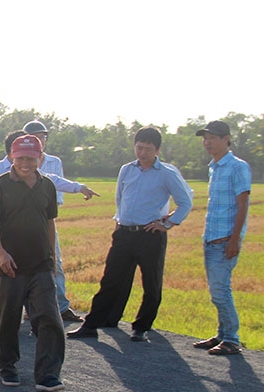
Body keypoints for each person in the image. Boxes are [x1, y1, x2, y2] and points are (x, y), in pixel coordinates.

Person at [67, 127, 193, 342]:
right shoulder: (127, 169)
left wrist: (168, 223)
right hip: (125, 233)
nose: (142, 153)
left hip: (149, 235)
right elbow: (120, 198)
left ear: (157, 150)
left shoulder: (166, 174)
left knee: (151, 283)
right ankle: (91, 325)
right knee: (110, 281)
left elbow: (186, 201)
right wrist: (119, 221)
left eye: (148, 149)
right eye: (139, 147)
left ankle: (141, 327)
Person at [0, 125, 98, 323]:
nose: (25, 159)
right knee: (11, 271)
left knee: (52, 266)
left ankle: (56, 308)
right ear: (12, 151)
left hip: (38, 229)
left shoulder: (35, 173)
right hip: (8, 233)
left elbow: (54, 181)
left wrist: (79, 187)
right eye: (21, 152)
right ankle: (16, 314)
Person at [0, 134, 65, 392]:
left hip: (41, 263)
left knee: (50, 318)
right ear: (11, 157)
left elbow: (49, 223)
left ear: (40, 158)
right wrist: (2, 253)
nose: (26, 163)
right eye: (20, 158)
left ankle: (47, 375)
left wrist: (52, 259)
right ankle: (8, 367)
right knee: (8, 319)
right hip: (10, 265)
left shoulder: (47, 187)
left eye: (31, 158)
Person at [192, 120, 252, 356]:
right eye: (205, 138)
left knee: (220, 291)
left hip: (226, 239)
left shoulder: (237, 167)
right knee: (216, 289)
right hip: (211, 238)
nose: (207, 142)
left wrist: (235, 239)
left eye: (212, 138)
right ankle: (222, 334)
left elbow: (243, 203)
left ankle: (232, 339)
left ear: (226, 139)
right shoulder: (214, 166)